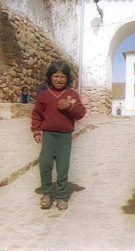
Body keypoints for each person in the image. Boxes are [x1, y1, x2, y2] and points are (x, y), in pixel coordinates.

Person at [31, 61, 86, 211]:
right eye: (56, 76)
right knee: (45, 164)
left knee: (62, 167)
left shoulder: (72, 95)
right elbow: (36, 114)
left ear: (67, 78)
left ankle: (61, 197)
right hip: (48, 136)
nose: (59, 80)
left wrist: (70, 106)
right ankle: (47, 194)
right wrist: (36, 130)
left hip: (64, 137)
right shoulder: (43, 95)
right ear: (50, 77)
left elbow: (81, 113)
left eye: (63, 77)